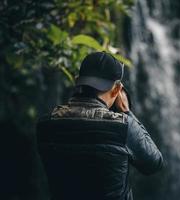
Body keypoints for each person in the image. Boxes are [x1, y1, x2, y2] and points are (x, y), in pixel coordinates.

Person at [36, 52, 164, 200]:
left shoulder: (46, 124)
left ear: (77, 81)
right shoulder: (123, 126)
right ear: (117, 89)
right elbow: (154, 163)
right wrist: (127, 112)